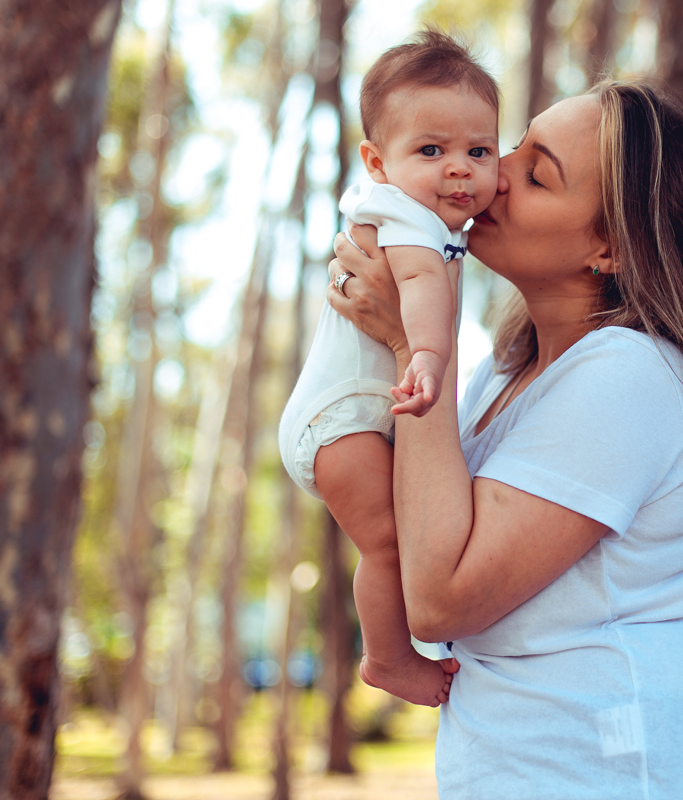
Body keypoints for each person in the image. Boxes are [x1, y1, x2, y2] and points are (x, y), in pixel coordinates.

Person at [326, 81, 683, 798]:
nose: (494, 172)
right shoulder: (505, 377)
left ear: (610, 247)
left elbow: (441, 600)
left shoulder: (632, 376)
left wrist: (412, 341)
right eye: (516, 145)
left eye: (535, 173)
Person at [278, 31, 498, 707]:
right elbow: (421, 287)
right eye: (430, 150)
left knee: (398, 539)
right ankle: (388, 659)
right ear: (378, 162)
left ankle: (392, 653)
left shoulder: (424, 220)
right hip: (340, 420)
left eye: (479, 151)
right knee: (389, 545)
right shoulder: (404, 217)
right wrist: (426, 356)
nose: (458, 168)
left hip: (354, 418)